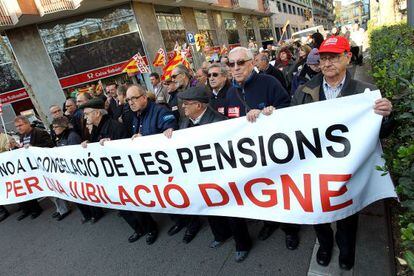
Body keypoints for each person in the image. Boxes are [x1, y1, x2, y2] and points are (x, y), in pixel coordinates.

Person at [291, 36, 394, 270]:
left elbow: (382, 132)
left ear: (348, 57)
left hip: (348, 170)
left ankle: (346, 250)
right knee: (318, 210)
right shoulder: (304, 91)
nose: (327, 63)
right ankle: (325, 246)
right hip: (314, 170)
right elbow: (289, 127)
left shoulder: (366, 92)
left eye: (334, 57)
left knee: (347, 213)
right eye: (324, 58)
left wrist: (387, 116)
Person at [123, 85, 178, 245]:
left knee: (174, 195)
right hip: (151, 166)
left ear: (144, 97)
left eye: (133, 98)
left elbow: (169, 131)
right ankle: (178, 220)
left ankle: (190, 224)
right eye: (128, 100)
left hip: (166, 166)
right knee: (164, 197)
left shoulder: (160, 111)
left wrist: (144, 137)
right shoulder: (136, 115)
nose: (130, 102)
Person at [13, 115, 54, 220]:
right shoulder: (22, 136)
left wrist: (34, 148)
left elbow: (49, 145)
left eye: (20, 125)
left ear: (27, 123)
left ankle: (63, 209)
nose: (18, 128)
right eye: (16, 126)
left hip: (42, 166)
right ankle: (34, 209)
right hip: (31, 167)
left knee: (51, 187)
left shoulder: (39, 132)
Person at [49, 116, 76, 221]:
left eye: (56, 127)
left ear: (63, 127)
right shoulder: (60, 137)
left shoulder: (72, 136)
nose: (54, 129)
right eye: (53, 127)